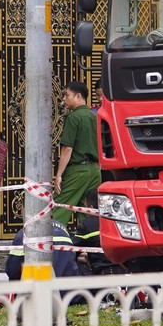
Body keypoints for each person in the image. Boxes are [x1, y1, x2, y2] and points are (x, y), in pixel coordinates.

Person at [52, 81, 102, 245]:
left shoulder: (74, 117)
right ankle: (93, 248)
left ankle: (49, 248)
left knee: (58, 208)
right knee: (89, 213)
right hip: (95, 170)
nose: (64, 100)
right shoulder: (95, 116)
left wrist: (59, 174)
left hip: (77, 171)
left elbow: (67, 149)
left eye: (67, 95)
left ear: (78, 96)